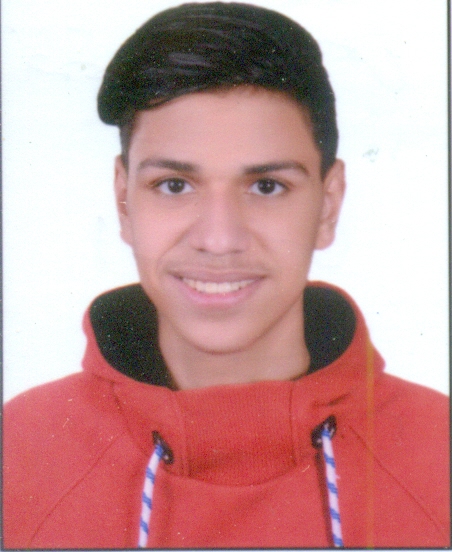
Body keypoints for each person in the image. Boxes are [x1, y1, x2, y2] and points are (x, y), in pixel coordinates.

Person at [3, 2, 449, 548]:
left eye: (266, 186)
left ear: (328, 205)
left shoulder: (440, 458)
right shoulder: (19, 456)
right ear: (123, 201)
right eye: (174, 185)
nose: (218, 239)